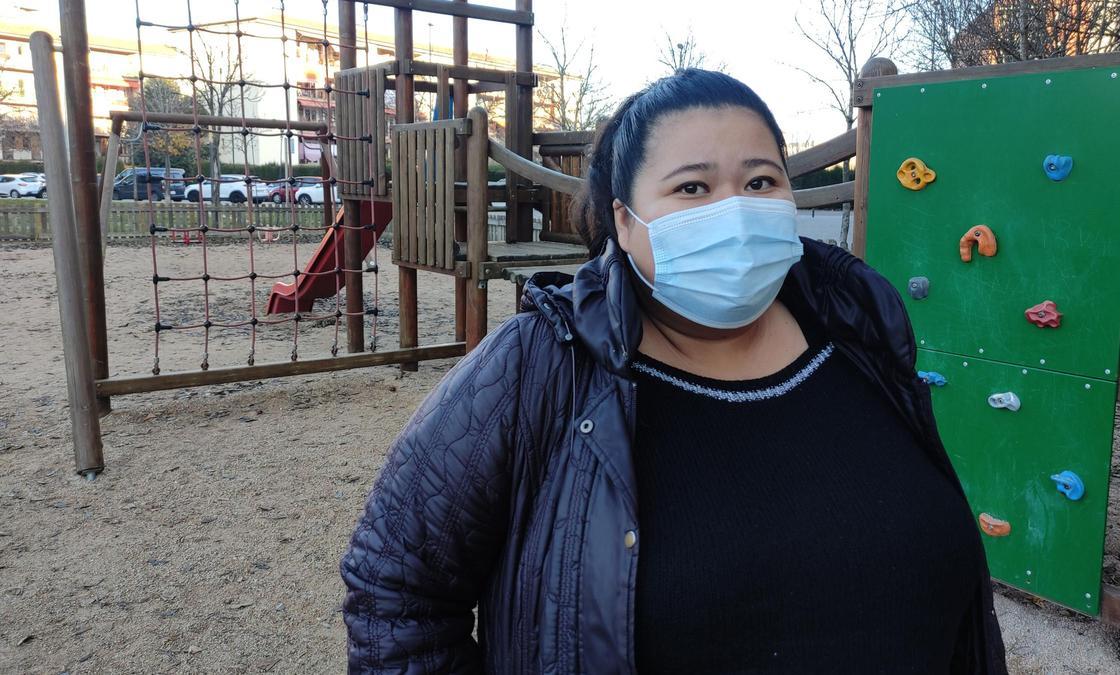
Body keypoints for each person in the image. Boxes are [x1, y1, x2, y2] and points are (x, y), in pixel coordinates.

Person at [341, 68, 1008, 673]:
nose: (736, 210)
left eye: (760, 181)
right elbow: (396, 587)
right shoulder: (540, 363)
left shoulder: (864, 335)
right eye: (693, 187)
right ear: (625, 223)